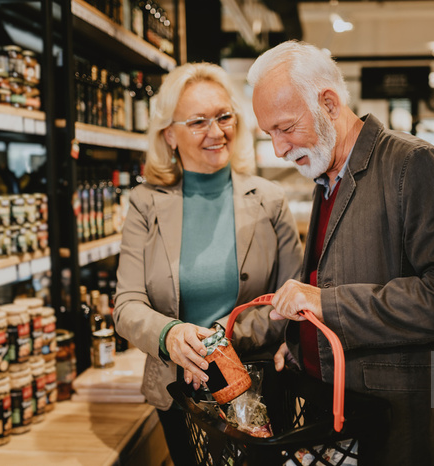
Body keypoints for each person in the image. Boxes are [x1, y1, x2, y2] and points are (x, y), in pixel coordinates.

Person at [247, 41, 434, 465]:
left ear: (329, 104)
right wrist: (299, 342)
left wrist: (326, 303)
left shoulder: (413, 165)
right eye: (269, 133)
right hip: (342, 411)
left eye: (286, 127)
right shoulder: (328, 175)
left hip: (398, 418)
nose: (278, 148)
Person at [113, 62, 303, 466]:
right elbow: (126, 305)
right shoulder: (145, 203)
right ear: (169, 135)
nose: (216, 133)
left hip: (260, 380)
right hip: (178, 393)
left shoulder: (269, 199)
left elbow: (295, 297)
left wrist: (223, 336)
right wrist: (170, 334)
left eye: (223, 117)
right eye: (198, 121)